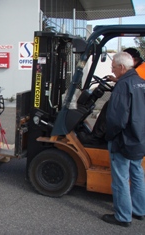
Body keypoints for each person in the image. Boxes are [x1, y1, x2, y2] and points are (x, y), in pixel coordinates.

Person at [101, 51, 145, 227]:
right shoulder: (141, 83)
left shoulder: (123, 85)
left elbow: (116, 119)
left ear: (121, 67)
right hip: (139, 138)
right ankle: (139, 210)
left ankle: (123, 216)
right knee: (137, 174)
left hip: (123, 139)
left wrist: (108, 135)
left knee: (120, 178)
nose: (113, 71)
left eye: (113, 67)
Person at [78, 48, 145, 145]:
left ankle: (95, 137)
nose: (112, 70)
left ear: (132, 60)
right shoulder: (139, 69)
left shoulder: (140, 70)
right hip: (138, 106)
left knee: (111, 107)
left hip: (137, 111)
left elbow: (131, 85)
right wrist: (115, 80)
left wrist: (110, 135)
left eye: (114, 67)